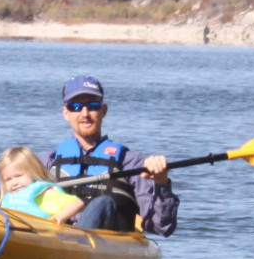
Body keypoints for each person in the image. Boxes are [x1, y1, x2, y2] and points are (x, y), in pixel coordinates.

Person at [42, 75, 177, 235]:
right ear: (66, 113)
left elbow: (162, 226)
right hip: (57, 236)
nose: (85, 113)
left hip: (107, 241)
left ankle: (80, 240)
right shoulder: (47, 162)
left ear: (103, 111)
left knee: (103, 203)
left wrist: (161, 183)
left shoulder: (130, 163)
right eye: (76, 107)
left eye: (92, 105)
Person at [0, 146, 85, 224]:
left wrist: (60, 216)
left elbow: (78, 203)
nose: (14, 183)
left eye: (18, 176)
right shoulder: (7, 198)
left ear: (34, 171)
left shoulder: (44, 194)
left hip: (47, 238)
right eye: (8, 179)